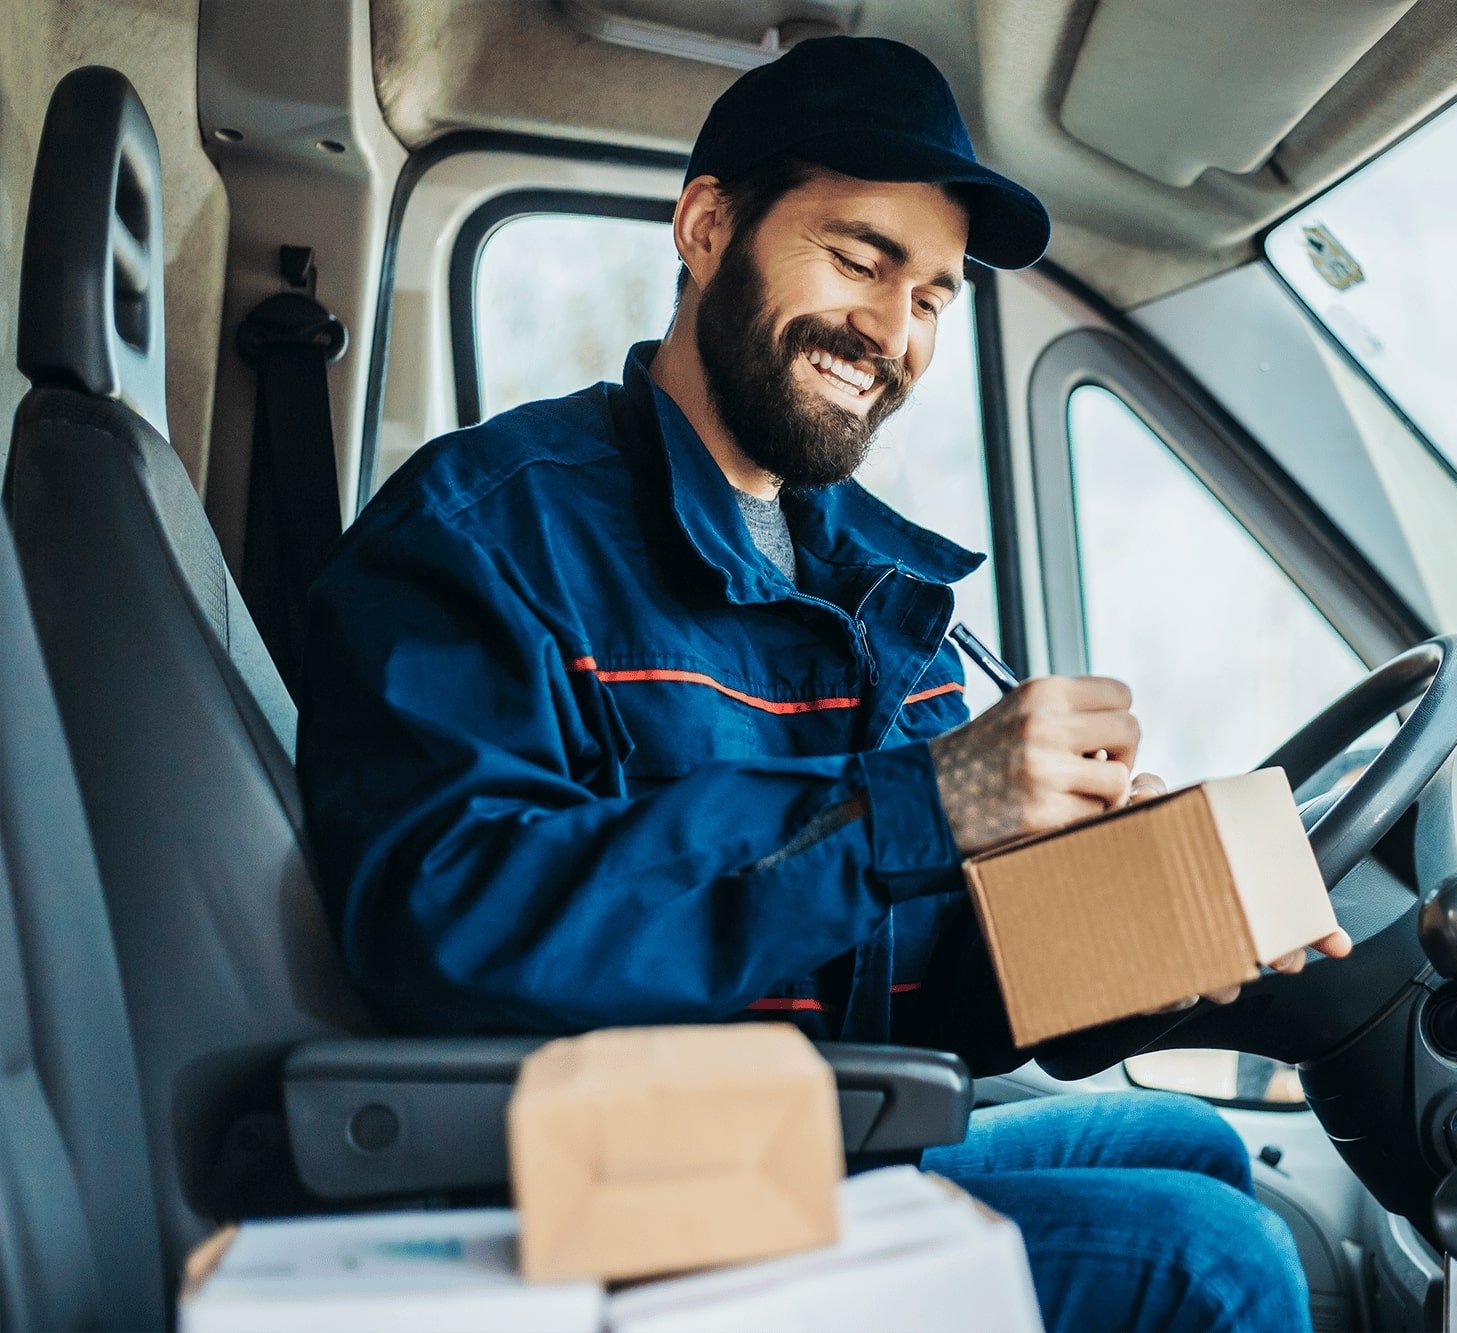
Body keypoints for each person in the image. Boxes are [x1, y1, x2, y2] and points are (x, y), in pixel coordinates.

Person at [299, 34, 1348, 1330]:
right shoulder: (484, 534)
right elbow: (443, 922)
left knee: (1205, 1147)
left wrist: (1154, 922)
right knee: (1214, 1257)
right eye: (859, 259)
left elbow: (929, 1000)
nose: (890, 331)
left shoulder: (876, 593)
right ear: (704, 225)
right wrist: (922, 804)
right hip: (624, 1195)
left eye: (933, 296)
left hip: (812, 1128)